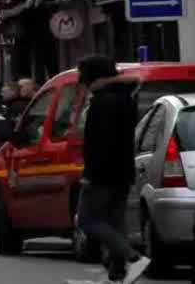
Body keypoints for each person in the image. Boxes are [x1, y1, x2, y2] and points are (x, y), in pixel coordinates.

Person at [76, 56, 150, 283]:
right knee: (115, 222)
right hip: (122, 171)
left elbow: (101, 142)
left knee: (87, 220)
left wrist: (90, 174)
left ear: (92, 76)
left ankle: (132, 257)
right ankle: (118, 273)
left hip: (103, 173)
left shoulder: (103, 102)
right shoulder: (125, 97)